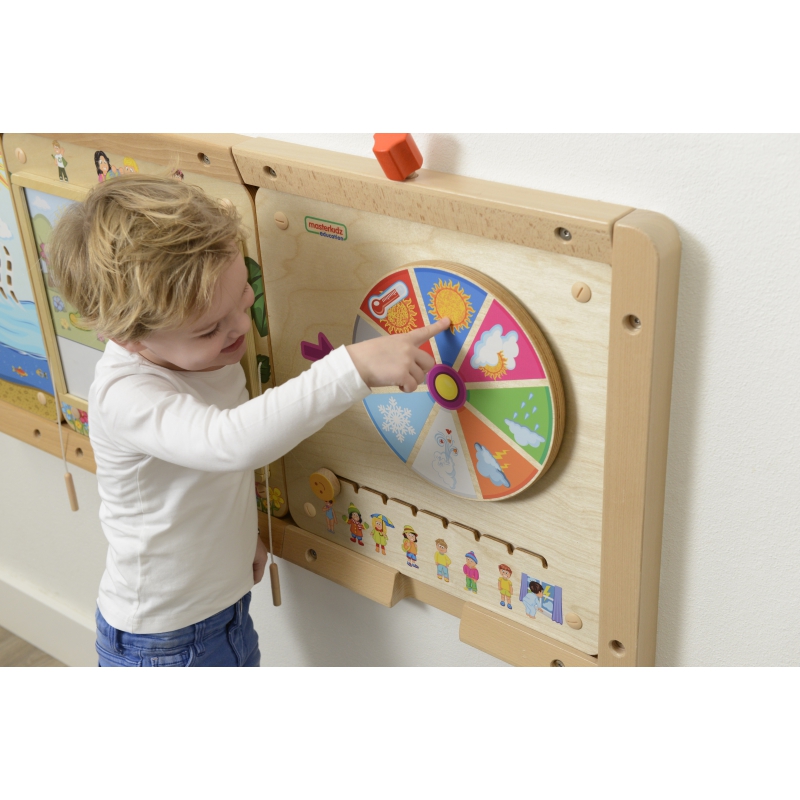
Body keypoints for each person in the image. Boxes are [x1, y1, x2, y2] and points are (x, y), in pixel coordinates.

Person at [48, 174, 449, 667]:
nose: (240, 327)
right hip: (164, 640)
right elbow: (228, 441)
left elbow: (198, 479)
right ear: (130, 338)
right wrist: (353, 368)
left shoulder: (191, 349)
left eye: (243, 297)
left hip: (220, 611)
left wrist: (239, 538)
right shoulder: (126, 396)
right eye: (209, 330)